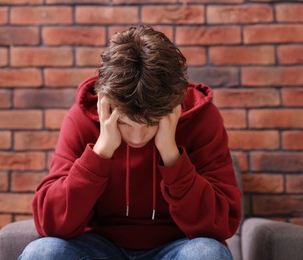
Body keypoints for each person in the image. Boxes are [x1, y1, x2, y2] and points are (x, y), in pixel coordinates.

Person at [19, 25, 241, 260]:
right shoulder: (83, 118)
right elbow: (50, 224)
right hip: (99, 246)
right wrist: (101, 151)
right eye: (125, 124)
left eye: (151, 123)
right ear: (106, 103)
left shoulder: (202, 118)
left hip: (177, 246)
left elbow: (221, 225)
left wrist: (171, 155)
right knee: (42, 253)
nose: (137, 139)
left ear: (173, 106)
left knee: (207, 254)